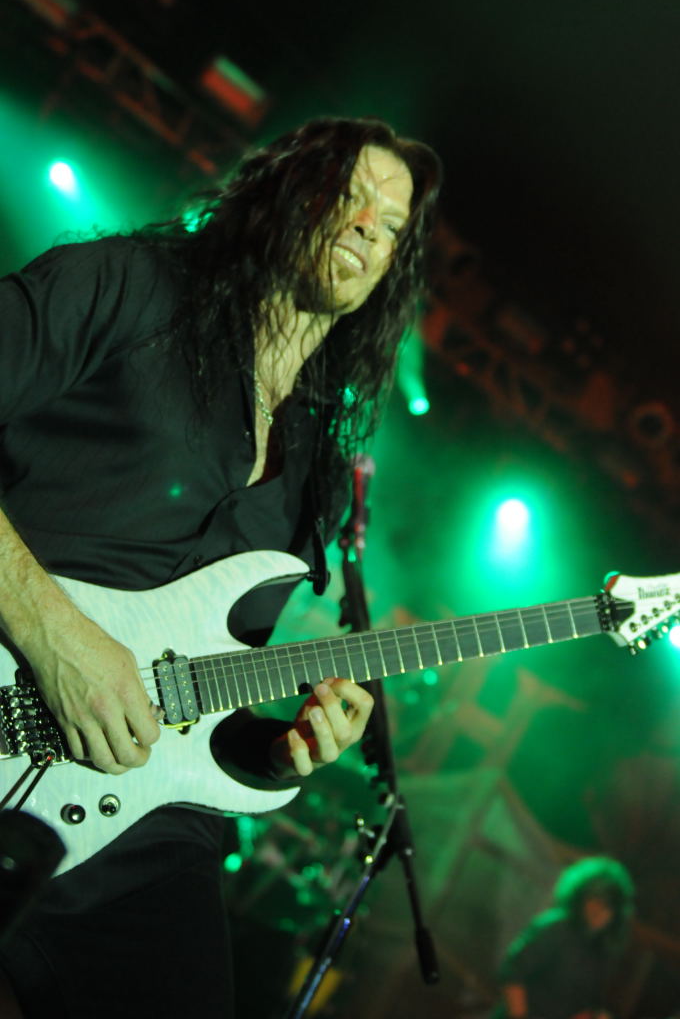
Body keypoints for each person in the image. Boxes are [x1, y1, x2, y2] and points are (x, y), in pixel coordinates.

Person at [0, 116, 441, 1017]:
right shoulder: (128, 286)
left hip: (139, 829)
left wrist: (282, 751)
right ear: (283, 195)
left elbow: (198, 690)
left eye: (393, 225)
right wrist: (52, 633)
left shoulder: (319, 465)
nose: (370, 227)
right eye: (350, 196)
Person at [495, 856, 635, 1019]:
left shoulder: (602, 949)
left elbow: (586, 1004)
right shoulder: (556, 927)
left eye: (607, 907)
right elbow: (512, 973)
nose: (599, 911)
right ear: (582, 896)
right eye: (596, 901)